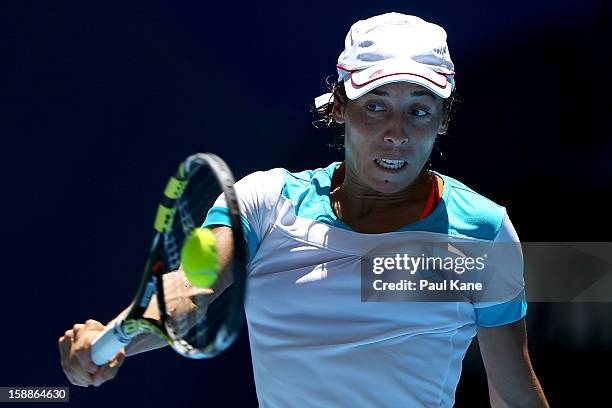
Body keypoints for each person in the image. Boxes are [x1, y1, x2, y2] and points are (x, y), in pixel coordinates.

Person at [59, 12, 549, 407]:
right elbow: (188, 286)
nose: (396, 132)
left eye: (419, 109)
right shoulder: (260, 202)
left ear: (443, 120)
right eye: (374, 105)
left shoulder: (483, 230)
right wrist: (116, 336)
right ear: (339, 107)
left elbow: (512, 391)